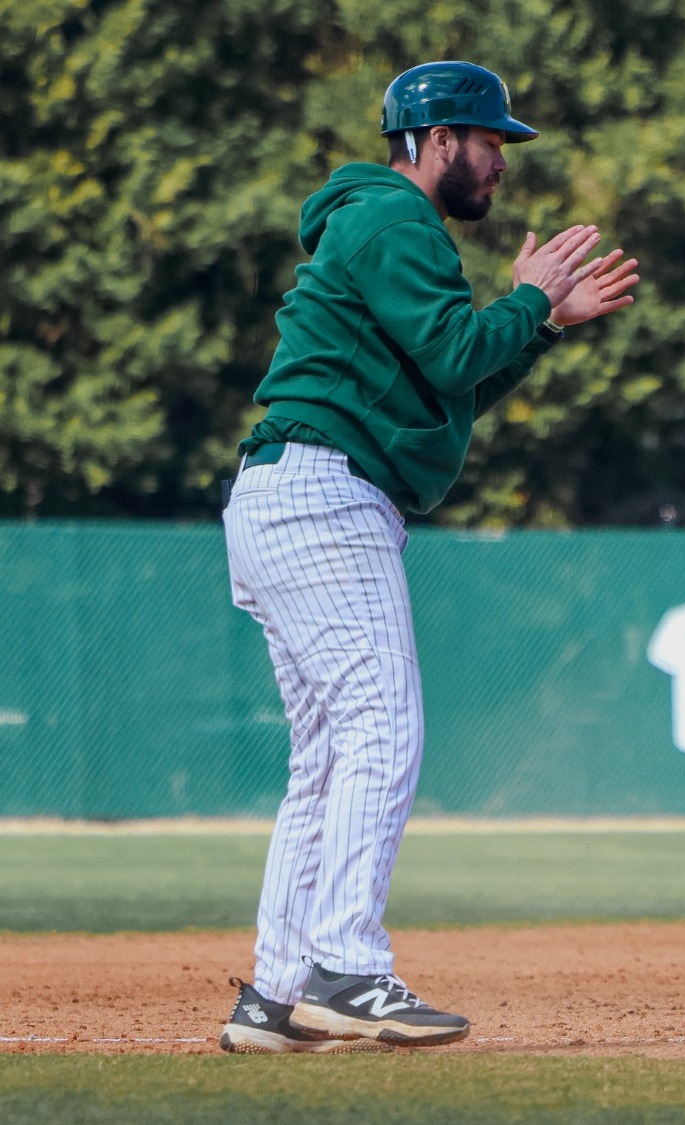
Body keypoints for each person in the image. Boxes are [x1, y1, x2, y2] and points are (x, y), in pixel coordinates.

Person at [216, 61, 640, 1054]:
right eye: (490, 142)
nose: (499, 162)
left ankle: (279, 996)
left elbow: (442, 388)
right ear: (438, 140)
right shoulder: (397, 222)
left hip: (290, 492)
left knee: (327, 754)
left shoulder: (375, 229)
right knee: (377, 726)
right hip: (323, 494)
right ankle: (346, 970)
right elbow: (455, 354)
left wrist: (538, 327)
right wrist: (528, 301)